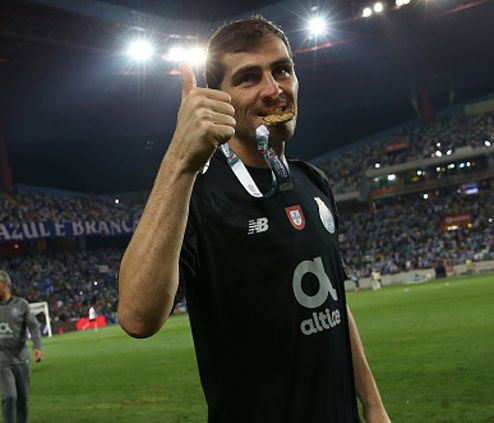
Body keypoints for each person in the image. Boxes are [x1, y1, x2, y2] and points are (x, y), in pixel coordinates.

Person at [117, 16, 391, 423]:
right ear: (216, 100)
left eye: (282, 70)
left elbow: (333, 304)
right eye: (248, 78)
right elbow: (137, 318)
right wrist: (179, 159)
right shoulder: (196, 194)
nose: (273, 89)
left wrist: (372, 404)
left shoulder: (313, 182)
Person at [0, 270, 43, 423]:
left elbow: (33, 326)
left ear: (5, 285)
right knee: (9, 396)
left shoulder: (21, 305)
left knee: (23, 399)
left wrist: (37, 346)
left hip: (20, 357)